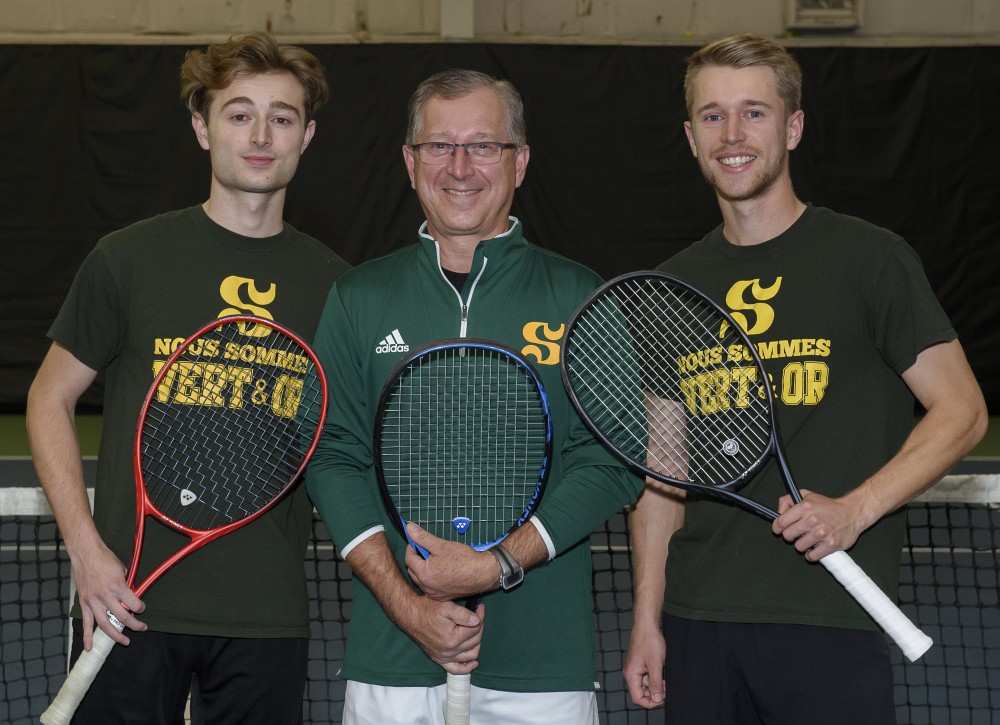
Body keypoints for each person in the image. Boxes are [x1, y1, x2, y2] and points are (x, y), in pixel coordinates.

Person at [622, 33, 988, 725]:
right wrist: (648, 616)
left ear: (793, 127)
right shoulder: (671, 288)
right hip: (698, 622)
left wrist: (856, 508)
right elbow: (662, 473)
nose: (732, 135)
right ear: (690, 137)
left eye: (754, 113)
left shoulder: (870, 259)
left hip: (830, 620)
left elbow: (962, 411)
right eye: (712, 116)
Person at [26, 32, 350, 724]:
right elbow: (49, 396)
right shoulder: (128, 258)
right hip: (129, 603)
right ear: (202, 127)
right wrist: (86, 552)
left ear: (308, 135)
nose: (261, 134)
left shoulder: (337, 287)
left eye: (282, 117)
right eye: (239, 114)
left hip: (267, 614)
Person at [305, 68, 643, 724]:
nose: (460, 166)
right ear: (409, 162)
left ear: (519, 161)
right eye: (439, 146)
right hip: (393, 661)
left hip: (542, 669)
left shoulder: (580, 295)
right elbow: (330, 455)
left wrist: (498, 564)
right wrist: (408, 607)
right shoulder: (357, 298)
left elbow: (614, 459)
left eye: (484, 145)